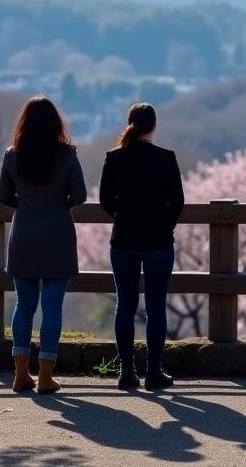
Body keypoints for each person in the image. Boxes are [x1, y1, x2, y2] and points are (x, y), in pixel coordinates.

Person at [0, 96, 87, 394]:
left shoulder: (13, 155)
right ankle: (46, 376)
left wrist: (26, 203)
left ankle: (20, 375)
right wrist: (59, 202)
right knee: (52, 307)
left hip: (24, 233)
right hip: (58, 233)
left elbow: (4, 198)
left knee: (23, 305)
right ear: (55, 123)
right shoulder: (67, 155)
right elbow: (81, 196)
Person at [99, 102, 185, 391]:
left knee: (125, 305)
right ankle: (154, 372)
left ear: (129, 124)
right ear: (154, 126)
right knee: (156, 306)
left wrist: (124, 218)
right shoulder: (165, 158)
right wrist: (163, 224)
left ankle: (126, 372)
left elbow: (105, 202)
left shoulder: (114, 158)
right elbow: (178, 203)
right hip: (158, 241)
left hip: (123, 240)